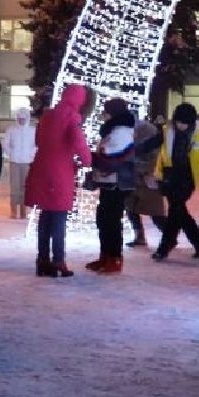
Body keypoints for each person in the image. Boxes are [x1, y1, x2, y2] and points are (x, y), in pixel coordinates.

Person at [24, 84, 93, 278]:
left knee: (45, 216)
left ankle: (42, 260)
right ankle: (58, 261)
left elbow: (38, 140)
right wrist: (87, 161)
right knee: (59, 218)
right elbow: (79, 143)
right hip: (59, 173)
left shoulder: (48, 116)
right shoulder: (71, 118)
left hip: (41, 169)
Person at [151, 102, 199, 261]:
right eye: (178, 121)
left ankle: (165, 247)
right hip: (168, 178)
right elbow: (150, 144)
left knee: (175, 211)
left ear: (191, 122)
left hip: (187, 179)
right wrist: (133, 150)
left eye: (184, 122)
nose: (180, 125)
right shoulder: (167, 132)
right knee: (179, 212)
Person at [86, 98, 136, 274]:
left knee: (111, 220)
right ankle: (105, 255)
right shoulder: (113, 130)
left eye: (106, 112)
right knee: (103, 218)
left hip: (118, 183)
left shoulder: (122, 132)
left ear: (113, 114)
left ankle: (114, 258)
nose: (103, 115)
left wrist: (92, 157)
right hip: (109, 182)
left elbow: (112, 156)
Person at [125, 112, 165, 249]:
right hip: (135, 176)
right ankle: (139, 236)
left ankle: (168, 235)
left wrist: (143, 169)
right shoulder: (135, 129)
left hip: (147, 176)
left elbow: (154, 158)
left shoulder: (144, 131)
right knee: (131, 207)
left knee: (155, 211)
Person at [2, 106, 37, 219]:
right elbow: (5, 143)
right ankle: (13, 210)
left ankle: (23, 211)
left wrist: (31, 154)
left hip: (27, 162)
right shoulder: (11, 130)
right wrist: (11, 153)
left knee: (25, 187)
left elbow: (36, 145)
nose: (21, 120)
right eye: (19, 118)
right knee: (14, 187)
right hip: (14, 162)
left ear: (27, 118)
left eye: (23, 119)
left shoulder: (32, 131)